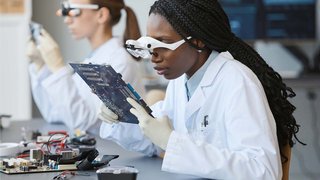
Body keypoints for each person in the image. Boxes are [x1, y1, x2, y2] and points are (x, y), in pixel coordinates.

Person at [99, 0, 303, 179]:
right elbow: (154, 141)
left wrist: (172, 142)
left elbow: (264, 172)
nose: (154, 56)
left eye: (164, 43)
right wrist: (121, 116)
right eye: (150, 45)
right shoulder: (180, 81)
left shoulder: (237, 82)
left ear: (197, 41)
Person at [26, 0, 145, 133]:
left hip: (117, 150)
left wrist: (58, 68)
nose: (67, 20)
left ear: (101, 15)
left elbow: (83, 123)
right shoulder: (95, 58)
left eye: (74, 11)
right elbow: (54, 114)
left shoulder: (119, 61)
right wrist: (40, 65)